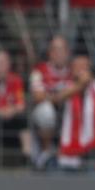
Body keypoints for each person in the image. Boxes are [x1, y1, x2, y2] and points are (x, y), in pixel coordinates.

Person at [29, 36, 72, 169]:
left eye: (62, 49)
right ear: (49, 53)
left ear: (67, 52)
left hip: (67, 113)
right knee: (46, 110)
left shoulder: (73, 71)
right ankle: (46, 152)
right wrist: (60, 96)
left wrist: (53, 96)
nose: (58, 53)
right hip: (43, 116)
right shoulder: (39, 70)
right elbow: (38, 96)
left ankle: (72, 151)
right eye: (55, 50)